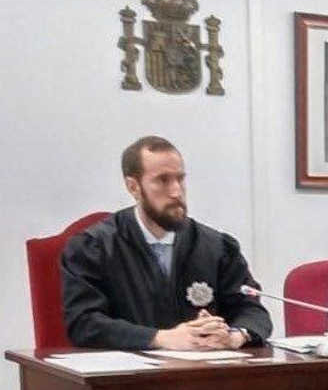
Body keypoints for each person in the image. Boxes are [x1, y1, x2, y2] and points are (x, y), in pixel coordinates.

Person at [60, 135, 271, 351]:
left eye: (180, 179)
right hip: (130, 378)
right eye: (163, 180)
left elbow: (252, 310)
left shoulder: (217, 247)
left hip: (207, 373)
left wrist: (234, 336)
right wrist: (161, 338)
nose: (176, 191)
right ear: (133, 187)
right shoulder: (94, 248)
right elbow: (84, 323)